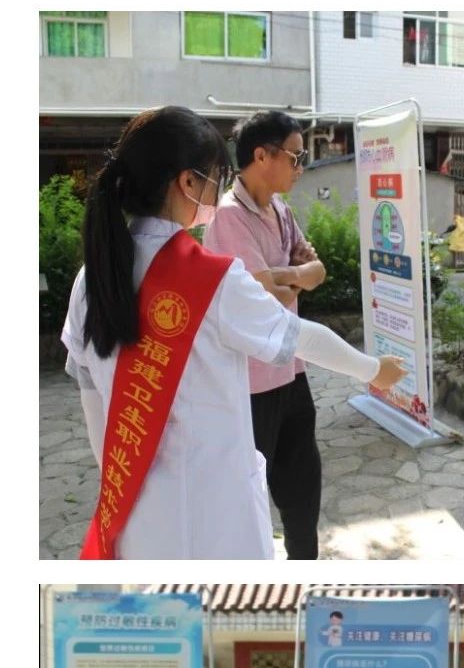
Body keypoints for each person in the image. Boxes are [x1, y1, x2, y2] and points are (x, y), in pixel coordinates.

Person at [62, 106, 406, 560]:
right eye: (216, 178)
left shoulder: (91, 278)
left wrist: (119, 478)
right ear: (188, 182)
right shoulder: (211, 278)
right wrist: (373, 369)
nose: (219, 190)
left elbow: (89, 391)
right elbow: (301, 338)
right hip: (215, 516)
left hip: (134, 514)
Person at [203, 110, 327, 560]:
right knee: (247, 496)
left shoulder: (281, 209)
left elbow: (316, 271)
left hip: (291, 369)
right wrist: (292, 277)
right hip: (251, 383)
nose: (300, 167)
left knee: (302, 490)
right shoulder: (227, 218)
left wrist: (284, 275)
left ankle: (305, 576)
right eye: (295, 157)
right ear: (261, 156)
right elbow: (262, 296)